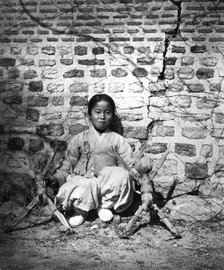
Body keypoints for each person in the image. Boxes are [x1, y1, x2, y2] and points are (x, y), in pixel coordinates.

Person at [50, 94, 136, 227]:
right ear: (89, 114)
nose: (102, 117)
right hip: (85, 183)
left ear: (112, 115)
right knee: (83, 183)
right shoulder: (79, 139)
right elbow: (67, 166)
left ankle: (103, 207)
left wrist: (139, 175)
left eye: (107, 113)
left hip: (106, 186)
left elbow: (130, 165)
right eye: (97, 112)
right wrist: (56, 178)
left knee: (122, 175)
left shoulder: (117, 140)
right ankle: (80, 210)